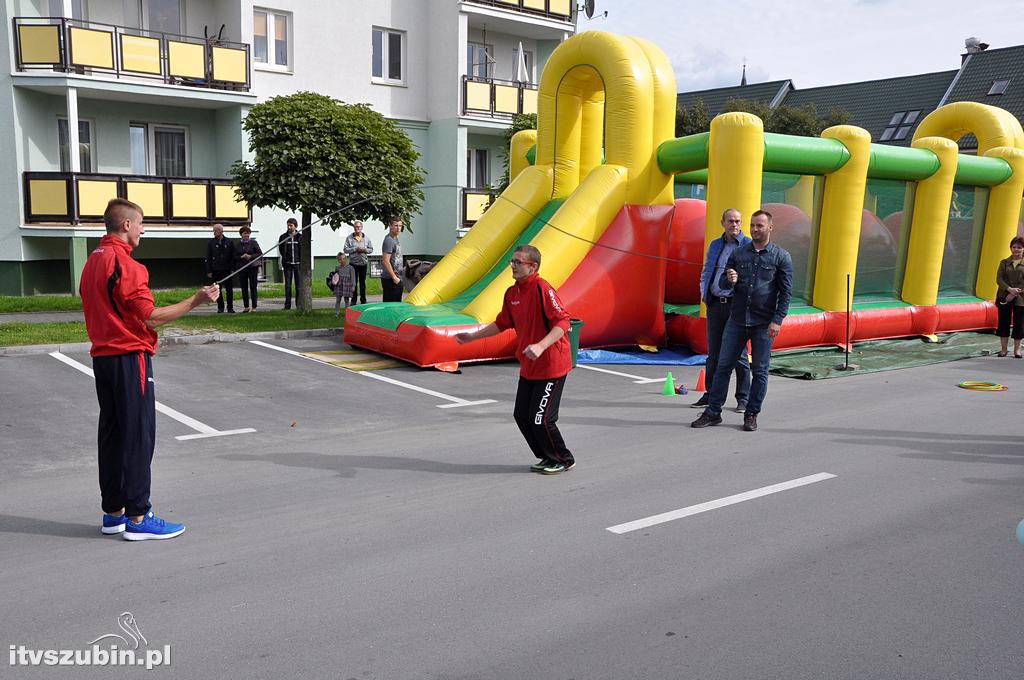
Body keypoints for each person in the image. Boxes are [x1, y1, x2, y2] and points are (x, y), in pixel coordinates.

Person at [81, 198, 219, 540]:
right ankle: (139, 517)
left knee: (112, 434)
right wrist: (196, 300)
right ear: (126, 225)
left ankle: (114, 512)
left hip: (103, 358)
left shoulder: (92, 261)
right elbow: (150, 316)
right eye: (141, 223)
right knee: (138, 435)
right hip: (130, 357)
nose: (144, 230)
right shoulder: (127, 266)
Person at [455, 245, 576, 474]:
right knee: (521, 416)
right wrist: (471, 337)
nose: (513, 265)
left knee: (541, 419)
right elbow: (501, 324)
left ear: (533, 267)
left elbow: (563, 322)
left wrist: (541, 345)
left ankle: (563, 458)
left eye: (518, 262)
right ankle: (547, 457)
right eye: (512, 261)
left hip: (552, 363)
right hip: (530, 365)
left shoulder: (542, 288)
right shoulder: (512, 293)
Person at [691, 210, 792, 432]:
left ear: (770, 228)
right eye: (753, 225)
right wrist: (729, 280)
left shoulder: (781, 257)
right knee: (723, 365)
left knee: (760, 370)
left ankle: (751, 413)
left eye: (760, 226)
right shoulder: (738, 254)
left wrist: (777, 320)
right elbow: (724, 285)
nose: (755, 229)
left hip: (764, 323)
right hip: (736, 320)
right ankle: (713, 411)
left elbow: (785, 293)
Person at [691, 208, 752, 413]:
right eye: (731, 221)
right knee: (714, 353)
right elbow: (707, 270)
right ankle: (711, 394)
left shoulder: (748, 245)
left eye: (738, 221)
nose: (735, 225)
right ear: (723, 223)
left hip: (737, 307)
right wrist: (705, 294)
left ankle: (743, 398)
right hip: (716, 304)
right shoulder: (716, 244)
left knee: (740, 354)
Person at [995, 236, 1024, 358]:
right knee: (1003, 322)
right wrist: (1009, 290)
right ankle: (1004, 349)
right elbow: (999, 279)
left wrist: (1015, 292)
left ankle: (1017, 350)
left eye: (1019, 247)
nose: (1016, 249)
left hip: (1021, 299)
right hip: (1004, 297)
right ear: (1010, 248)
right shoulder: (1004, 262)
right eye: (1014, 247)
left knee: (1019, 324)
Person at [204, 223, 236, 313]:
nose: (214, 232)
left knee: (229, 289)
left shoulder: (229, 242)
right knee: (218, 289)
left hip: (227, 269)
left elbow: (233, 257)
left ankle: (230, 308)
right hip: (216, 269)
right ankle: (220, 307)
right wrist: (209, 270)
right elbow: (208, 257)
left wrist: (233, 269)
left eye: (216, 230)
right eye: (213, 230)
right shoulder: (211, 243)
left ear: (221, 231)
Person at [343, 220, 373, 305]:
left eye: (359, 227)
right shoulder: (349, 238)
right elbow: (345, 249)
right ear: (354, 228)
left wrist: (365, 250)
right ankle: (353, 300)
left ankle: (363, 300)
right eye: (356, 227)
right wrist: (355, 249)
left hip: (363, 263)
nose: (357, 228)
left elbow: (371, 249)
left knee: (362, 283)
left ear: (361, 228)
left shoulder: (366, 238)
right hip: (353, 264)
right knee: (354, 283)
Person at [235, 226, 263, 313]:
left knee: (253, 287)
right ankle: (246, 306)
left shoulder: (254, 243)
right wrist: (241, 257)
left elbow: (259, 253)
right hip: (242, 268)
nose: (246, 235)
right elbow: (234, 257)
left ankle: (254, 307)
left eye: (248, 233)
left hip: (252, 267)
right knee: (244, 287)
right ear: (241, 235)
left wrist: (251, 256)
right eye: (244, 233)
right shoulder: (237, 245)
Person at [381, 217, 405, 302]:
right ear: (390, 226)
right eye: (396, 226)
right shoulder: (389, 240)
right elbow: (385, 261)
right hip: (390, 279)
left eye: (400, 226)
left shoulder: (395, 239)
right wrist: (394, 277)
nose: (398, 228)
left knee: (396, 305)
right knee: (390, 307)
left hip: (397, 278)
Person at [279, 217, 301, 310]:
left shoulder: (300, 237)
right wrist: (285, 258)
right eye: (288, 225)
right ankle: (287, 305)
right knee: (288, 286)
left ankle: (299, 305)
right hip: (287, 264)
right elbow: (281, 249)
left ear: (295, 226)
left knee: (298, 286)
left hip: (298, 264)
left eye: (291, 225)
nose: (289, 227)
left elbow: (303, 249)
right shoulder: (283, 237)